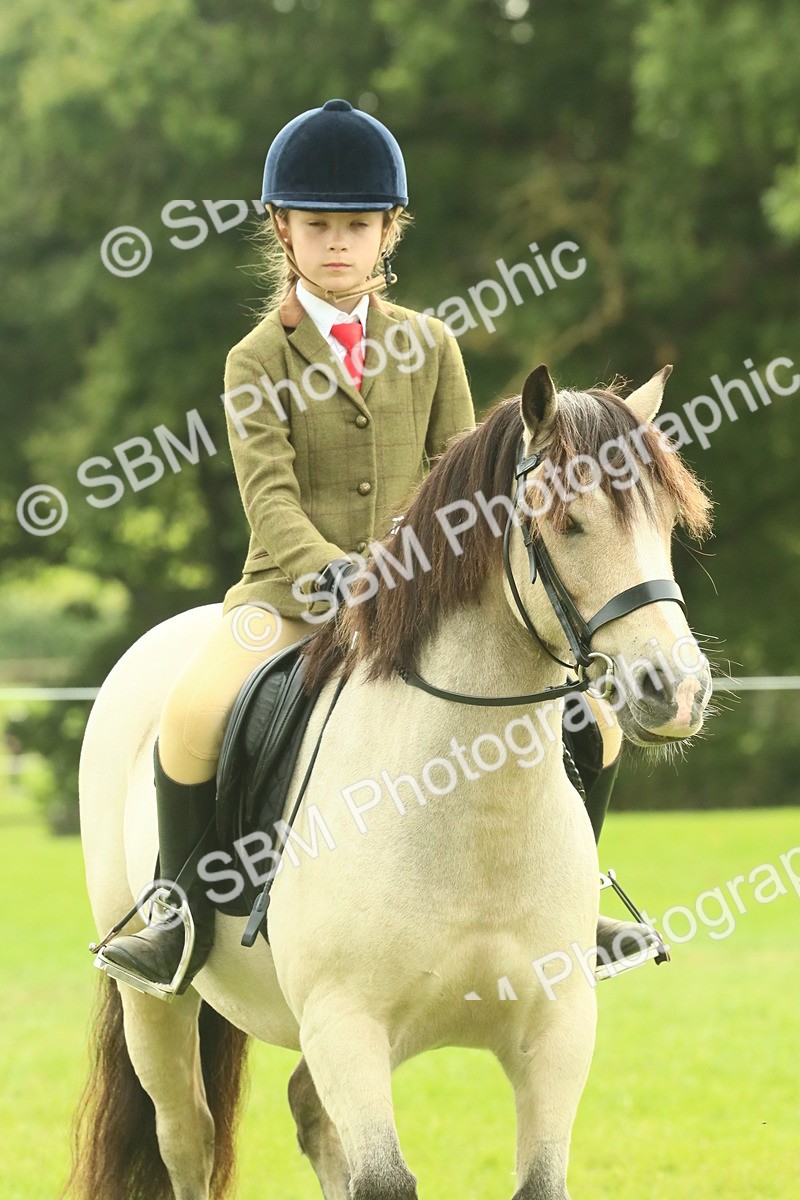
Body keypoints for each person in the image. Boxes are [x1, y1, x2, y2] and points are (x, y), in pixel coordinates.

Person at [97, 98, 476, 997]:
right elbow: (267, 499)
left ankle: (576, 900)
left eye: (357, 226)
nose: (338, 243)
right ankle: (178, 914)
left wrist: (423, 568)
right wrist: (337, 573)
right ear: (282, 229)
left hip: (417, 592)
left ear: (390, 231)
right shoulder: (255, 359)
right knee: (189, 719)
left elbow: (458, 478)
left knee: (589, 713)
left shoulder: (432, 345)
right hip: (288, 599)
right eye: (318, 226)